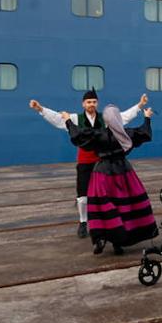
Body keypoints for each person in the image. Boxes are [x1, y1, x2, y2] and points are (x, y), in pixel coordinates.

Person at [30, 89, 146, 237]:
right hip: (85, 161)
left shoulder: (105, 118)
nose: (92, 104)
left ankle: (106, 220)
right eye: (89, 102)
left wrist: (139, 105)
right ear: (83, 104)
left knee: (106, 193)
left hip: (103, 162)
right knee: (83, 195)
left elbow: (123, 117)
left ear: (97, 103)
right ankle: (83, 222)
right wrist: (40, 109)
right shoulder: (76, 118)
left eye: (94, 102)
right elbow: (58, 119)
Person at [64, 103, 157, 255]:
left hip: (102, 173)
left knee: (101, 207)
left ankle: (99, 238)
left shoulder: (98, 135)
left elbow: (77, 136)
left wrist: (68, 121)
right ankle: (118, 243)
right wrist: (147, 118)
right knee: (123, 206)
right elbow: (145, 133)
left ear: (106, 120)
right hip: (124, 173)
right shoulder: (127, 134)